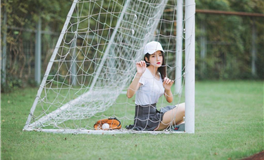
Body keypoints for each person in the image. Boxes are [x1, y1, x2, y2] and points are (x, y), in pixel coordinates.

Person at [126, 41, 185, 131]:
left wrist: (168, 89)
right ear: (147, 58)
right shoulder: (144, 73)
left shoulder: (160, 74)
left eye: (160, 55)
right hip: (144, 120)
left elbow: (170, 100)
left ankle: (175, 126)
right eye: (153, 56)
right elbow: (129, 94)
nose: (158, 59)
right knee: (185, 108)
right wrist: (138, 74)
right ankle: (173, 126)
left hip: (155, 115)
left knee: (184, 114)